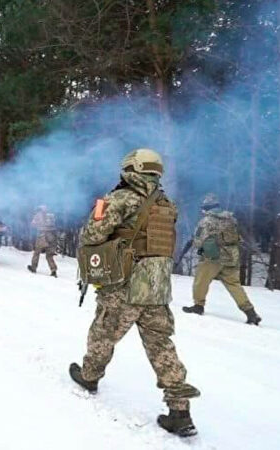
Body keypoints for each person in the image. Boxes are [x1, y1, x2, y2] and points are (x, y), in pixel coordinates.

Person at [69, 148, 200, 437]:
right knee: (161, 346)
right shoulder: (167, 204)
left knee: (103, 333)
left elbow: (91, 235)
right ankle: (180, 411)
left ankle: (89, 377)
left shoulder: (121, 198)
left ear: (132, 168)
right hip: (157, 287)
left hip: (125, 285)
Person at [182, 194, 262, 325]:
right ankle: (250, 312)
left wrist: (200, 246)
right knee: (234, 285)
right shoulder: (231, 219)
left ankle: (198, 306)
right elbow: (238, 238)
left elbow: (198, 241)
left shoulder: (207, 221)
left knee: (201, 281)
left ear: (206, 208)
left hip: (213, 257)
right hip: (232, 256)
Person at [27, 205, 58, 277]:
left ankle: (33, 267)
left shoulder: (38, 215)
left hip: (42, 236)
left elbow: (33, 224)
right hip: (52, 236)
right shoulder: (51, 216)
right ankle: (53, 270)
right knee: (49, 255)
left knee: (37, 252)